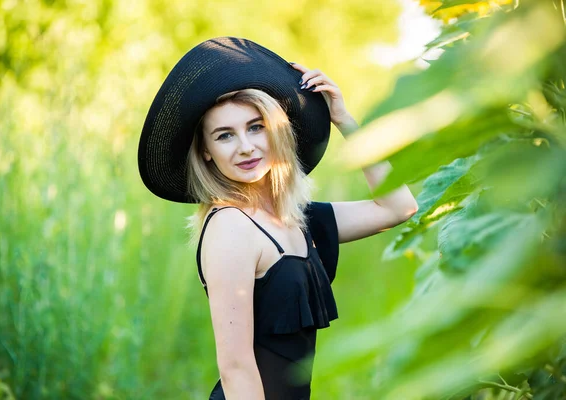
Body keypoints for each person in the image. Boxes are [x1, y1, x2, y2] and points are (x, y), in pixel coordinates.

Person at [138, 37, 419, 400]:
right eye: (225, 136)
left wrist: (345, 121)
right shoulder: (230, 228)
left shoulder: (299, 220)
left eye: (256, 127)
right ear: (206, 153)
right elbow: (236, 367)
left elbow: (399, 208)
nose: (246, 146)